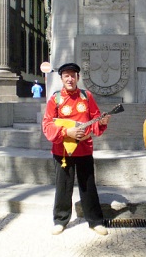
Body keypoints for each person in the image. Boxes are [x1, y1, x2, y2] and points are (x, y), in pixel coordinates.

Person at [42, 63, 110, 236]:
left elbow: (95, 117)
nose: (70, 79)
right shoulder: (55, 99)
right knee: (63, 185)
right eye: (66, 76)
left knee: (88, 186)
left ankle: (95, 221)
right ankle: (60, 220)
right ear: (62, 79)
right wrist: (66, 131)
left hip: (84, 148)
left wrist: (101, 122)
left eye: (73, 75)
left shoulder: (87, 96)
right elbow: (47, 124)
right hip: (62, 150)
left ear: (78, 77)